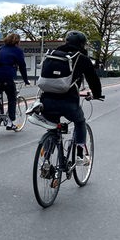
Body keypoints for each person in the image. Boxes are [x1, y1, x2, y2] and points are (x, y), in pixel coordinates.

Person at [38, 31, 102, 166]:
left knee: (53, 127)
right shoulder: (81, 58)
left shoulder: (52, 54)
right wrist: (96, 94)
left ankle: (46, 160)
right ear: (82, 44)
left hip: (46, 101)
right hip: (68, 102)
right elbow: (93, 79)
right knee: (80, 122)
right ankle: (79, 156)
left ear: (66, 41)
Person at [0, 33, 30, 130]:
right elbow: (22, 67)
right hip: (6, 76)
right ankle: (10, 122)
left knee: (0, 87)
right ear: (17, 41)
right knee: (12, 98)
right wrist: (26, 80)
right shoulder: (17, 51)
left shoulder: (1, 48)